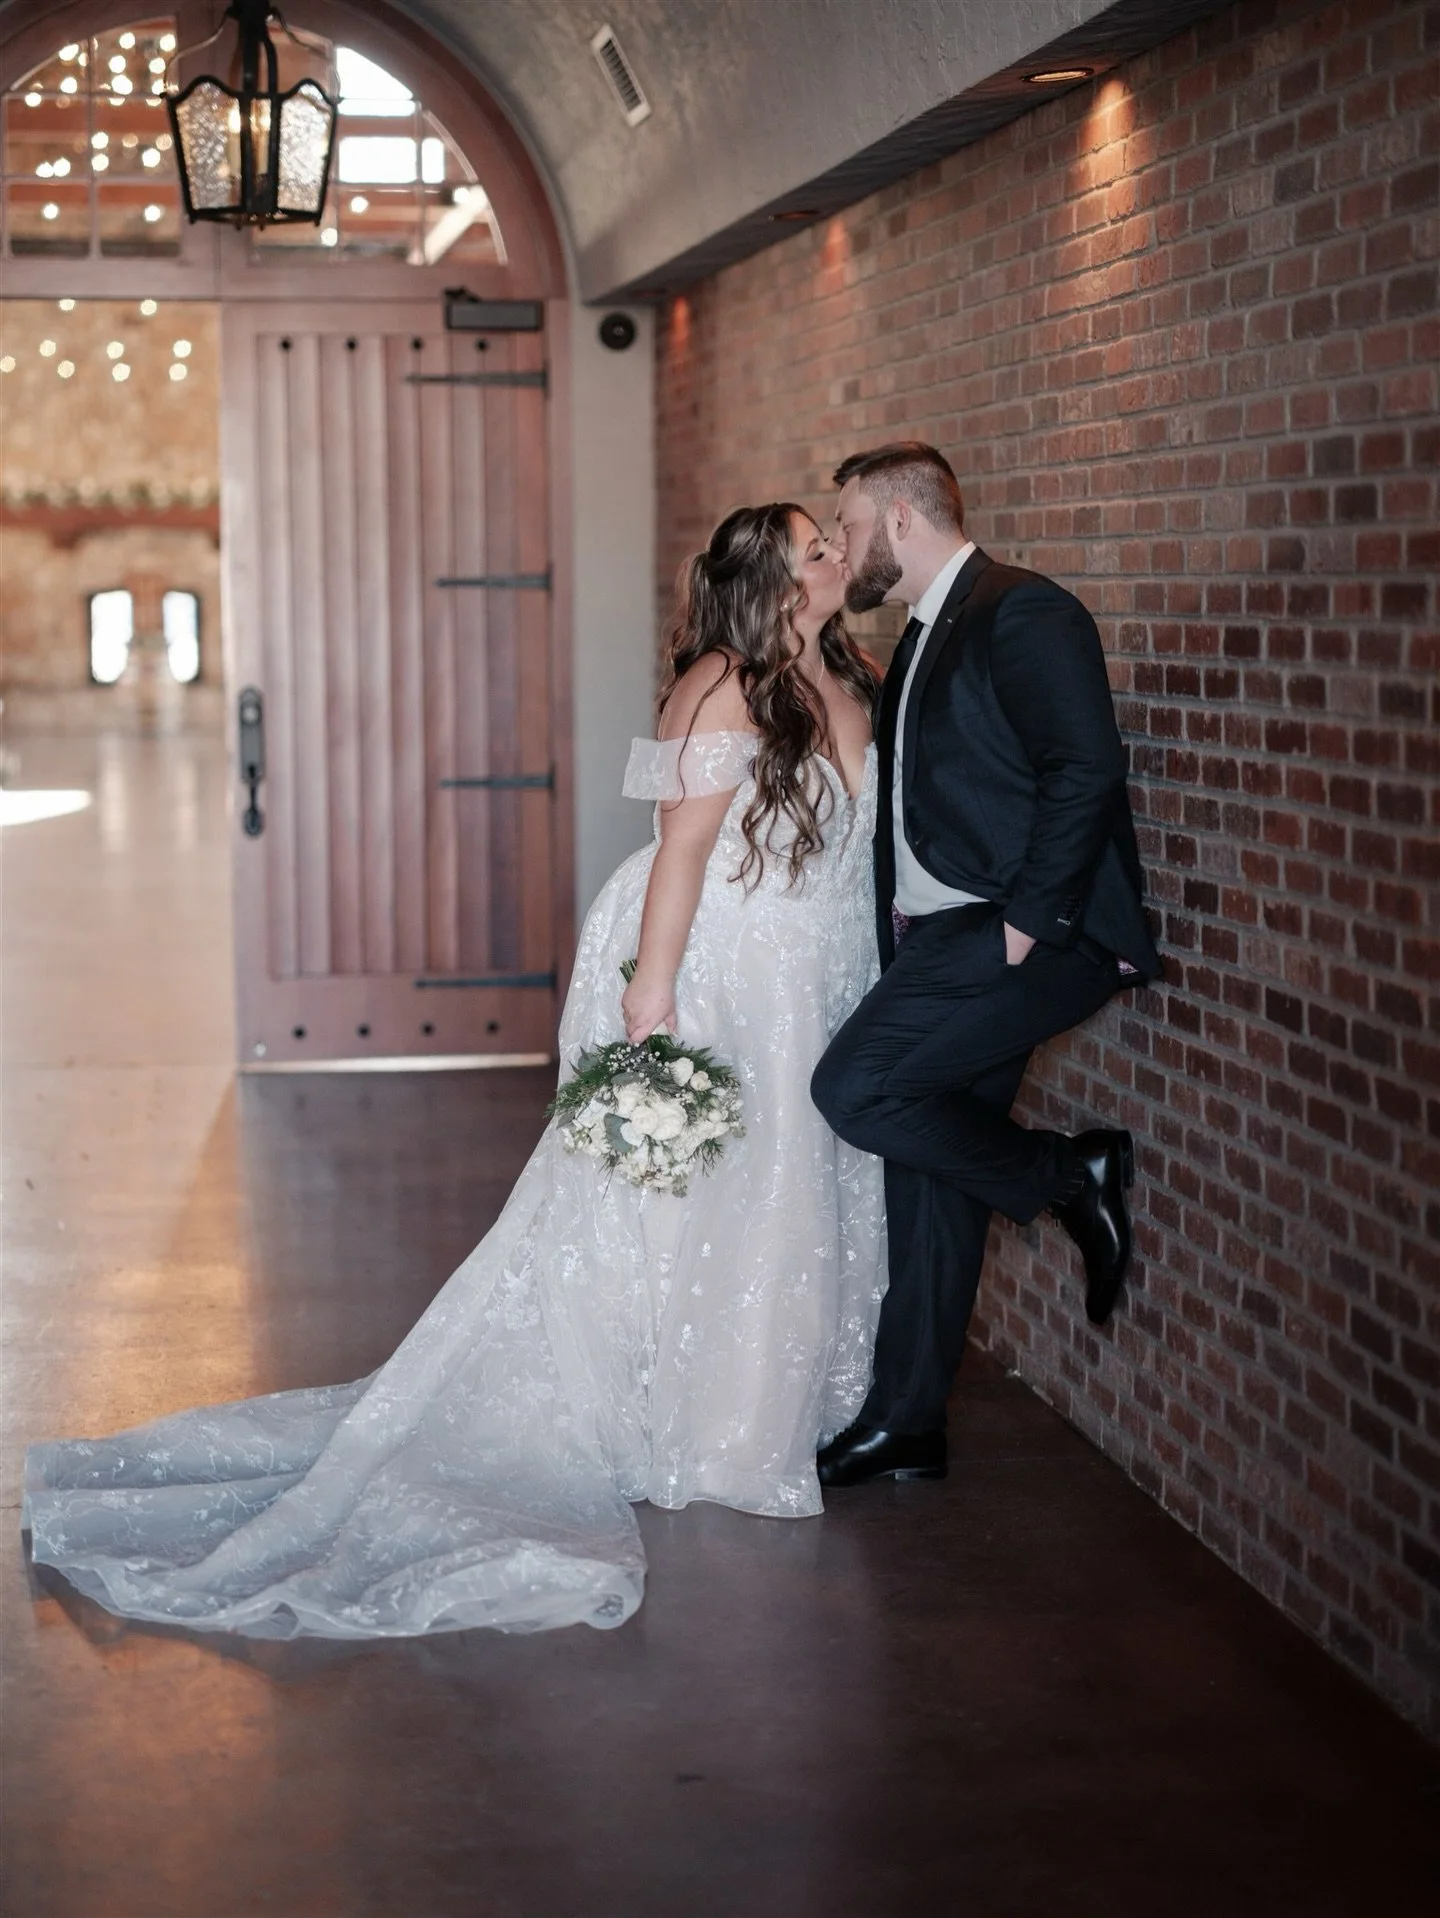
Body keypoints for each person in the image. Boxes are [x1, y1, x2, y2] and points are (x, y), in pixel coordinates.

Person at [23, 504, 887, 1639]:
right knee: (696, 1187)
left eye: (834, 541)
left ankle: (756, 1404)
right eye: (815, 546)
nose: (835, 556)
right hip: (713, 963)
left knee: (781, 1179)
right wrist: (650, 1000)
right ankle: (687, 1416)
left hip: (813, 970)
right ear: (773, 576)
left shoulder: (843, 672)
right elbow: (682, 851)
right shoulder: (722, 683)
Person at [811, 442, 1163, 1488]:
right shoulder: (918, 634)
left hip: (1022, 934)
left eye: (853, 524)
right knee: (928, 1174)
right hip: (947, 932)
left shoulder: (1023, 610)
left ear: (904, 520)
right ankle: (907, 1421)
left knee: (852, 1085)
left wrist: (1028, 920)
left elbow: (1084, 766)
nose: (845, 544)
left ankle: (1069, 1171)